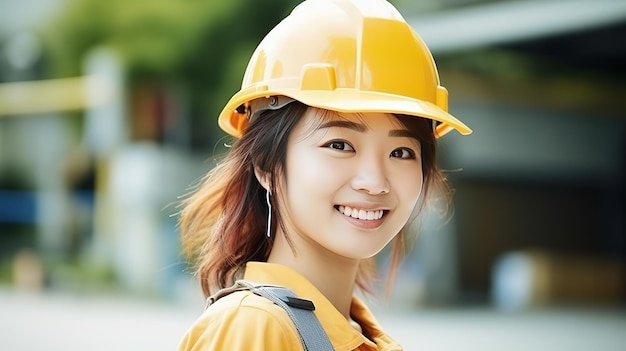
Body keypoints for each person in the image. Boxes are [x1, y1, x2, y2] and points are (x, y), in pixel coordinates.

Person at [177, 0, 472, 350]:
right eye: (340, 145)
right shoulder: (255, 328)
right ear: (265, 164)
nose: (375, 181)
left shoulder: (356, 334)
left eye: (401, 152)